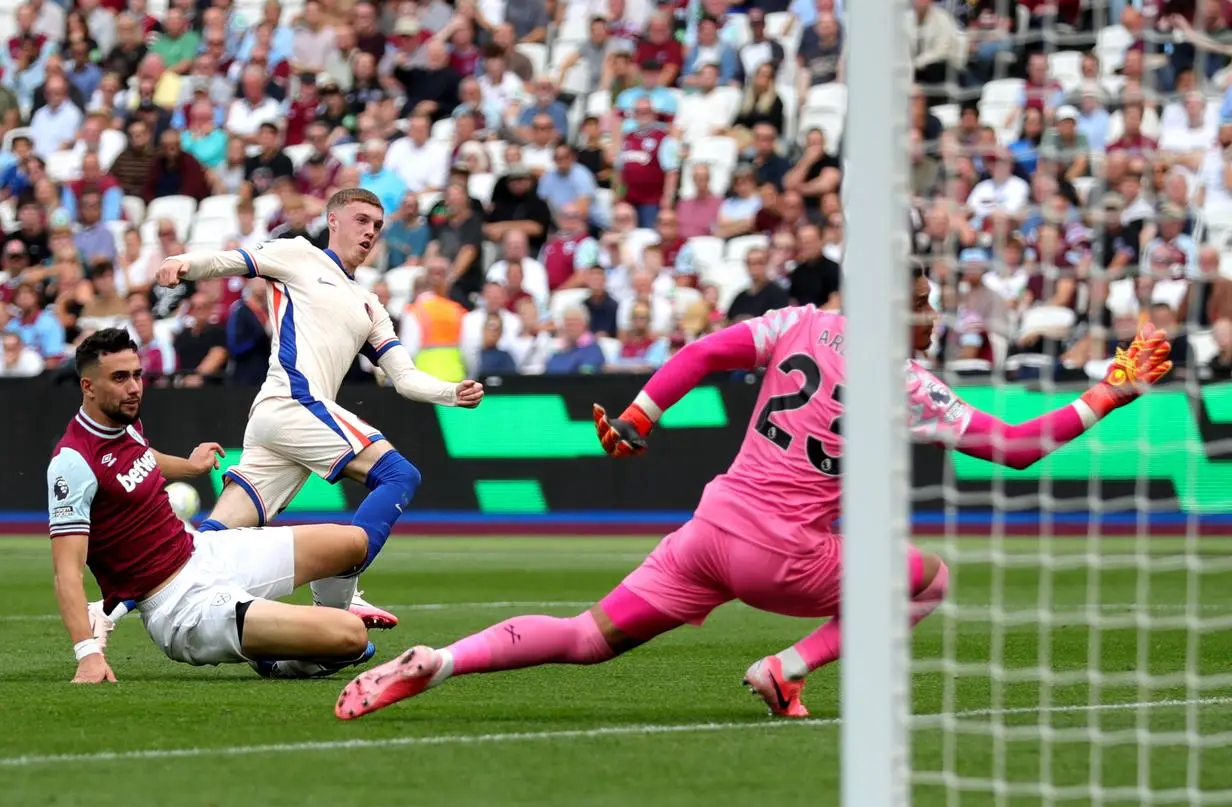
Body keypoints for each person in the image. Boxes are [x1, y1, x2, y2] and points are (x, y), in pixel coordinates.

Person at [334, 269, 1174, 720]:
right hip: (784, 557)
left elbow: (700, 354)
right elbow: (1017, 447)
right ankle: (788, 664)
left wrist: (638, 412)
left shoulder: (799, 323)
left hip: (709, 529)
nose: (933, 327)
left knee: (588, 634)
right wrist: (1106, 395)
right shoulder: (910, 381)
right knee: (930, 579)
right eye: (929, 315)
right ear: (912, 318)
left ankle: (441, 661)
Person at [148, 188, 484, 676]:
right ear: (333, 220)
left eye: (377, 226)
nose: (370, 232)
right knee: (399, 475)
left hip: (281, 421)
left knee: (214, 539)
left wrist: (452, 394)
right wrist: (184, 262)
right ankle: (338, 606)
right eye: (362, 220)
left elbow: (405, 378)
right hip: (294, 402)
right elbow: (232, 261)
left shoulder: (369, 304)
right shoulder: (299, 254)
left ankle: (124, 607)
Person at [50, 328, 409, 683]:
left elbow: (143, 456)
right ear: (88, 387)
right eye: (119, 378)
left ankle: (306, 638)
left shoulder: (122, 422)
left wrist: (190, 466)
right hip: (180, 606)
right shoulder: (73, 462)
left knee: (353, 544)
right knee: (351, 637)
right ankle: (282, 660)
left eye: (137, 375)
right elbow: (66, 571)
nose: (133, 387)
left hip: (205, 553)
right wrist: (88, 655)